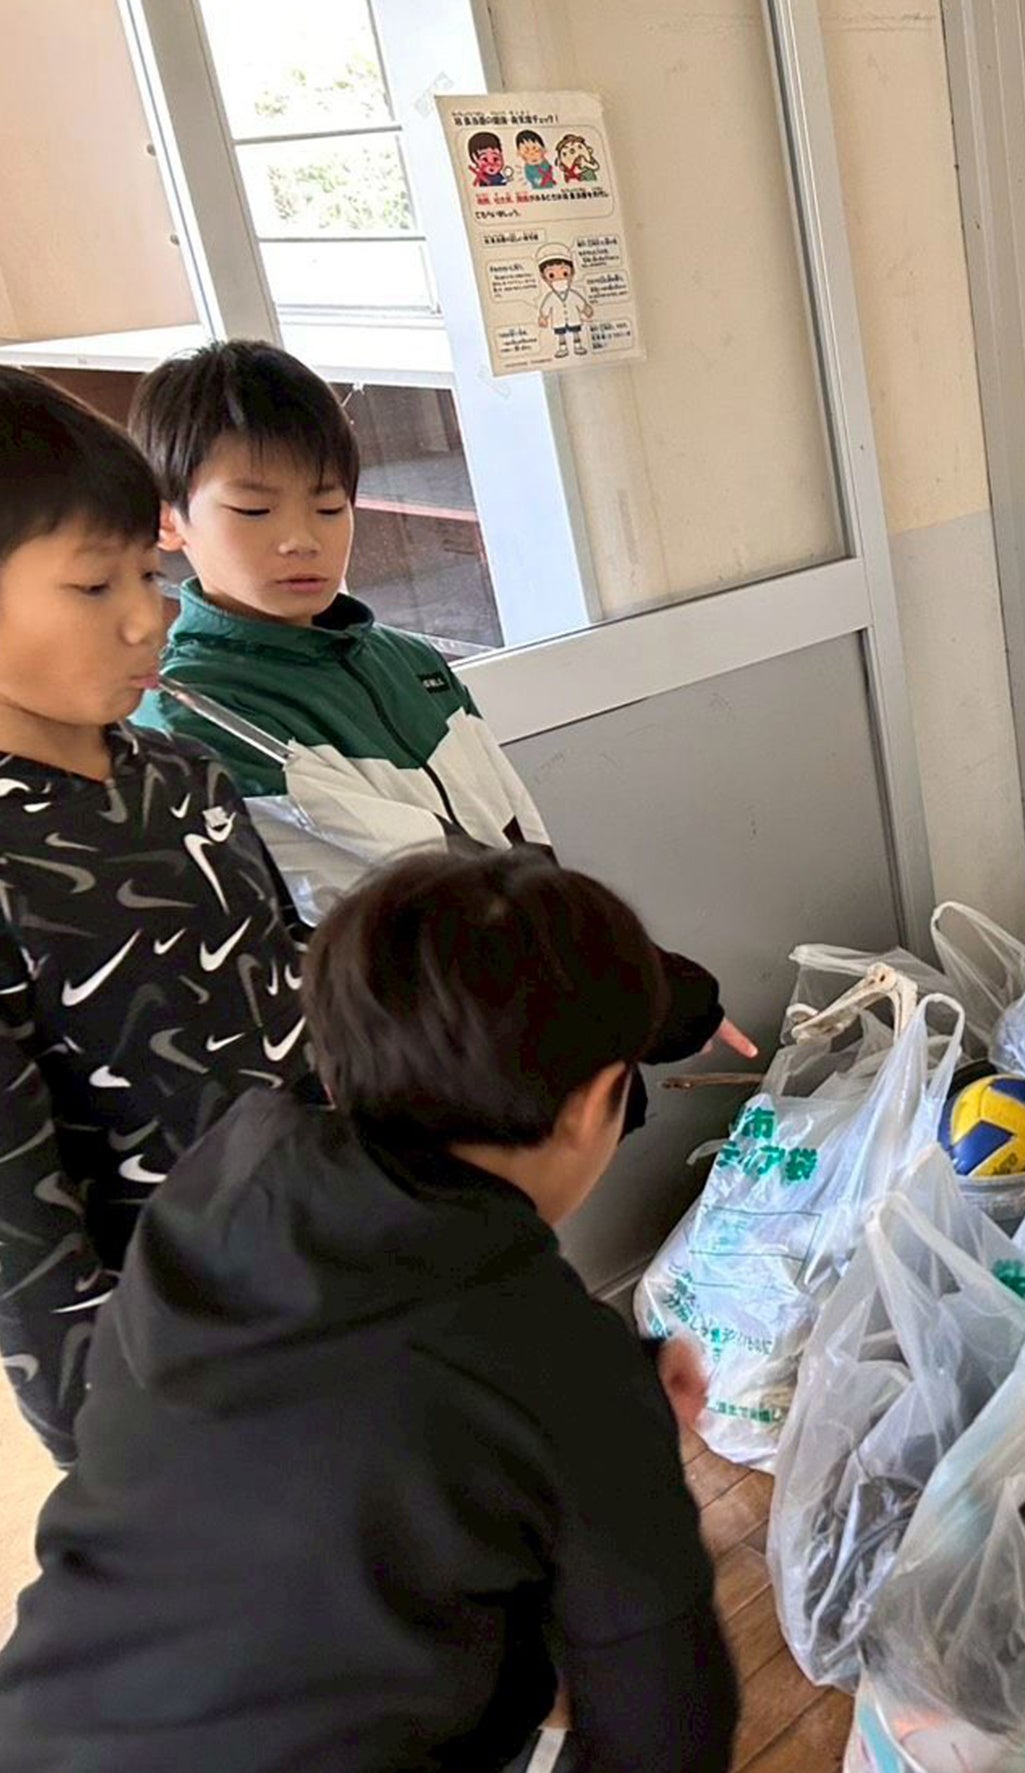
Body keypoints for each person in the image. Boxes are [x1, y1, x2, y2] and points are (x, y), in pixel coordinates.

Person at [0, 851, 742, 1773]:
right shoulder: (565, 1367)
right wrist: (614, 1431)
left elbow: (353, 1421)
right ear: (597, 1104)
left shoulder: (213, 1191)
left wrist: (599, 1425)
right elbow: (667, 1731)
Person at [125, 340, 754, 1077]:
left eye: (329, 505)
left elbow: (515, 856)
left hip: (542, 1033)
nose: (302, 539)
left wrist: (633, 987)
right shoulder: (196, 717)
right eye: (254, 508)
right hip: (430, 1076)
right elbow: (421, 901)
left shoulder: (408, 661)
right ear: (168, 521)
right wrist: (644, 994)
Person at [0, 368, 312, 1465]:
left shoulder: (186, 776)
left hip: (335, 1261)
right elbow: (23, 1238)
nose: (148, 617)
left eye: (148, 570)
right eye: (94, 585)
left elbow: (292, 986)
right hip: (185, 1370)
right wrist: (116, 1464)